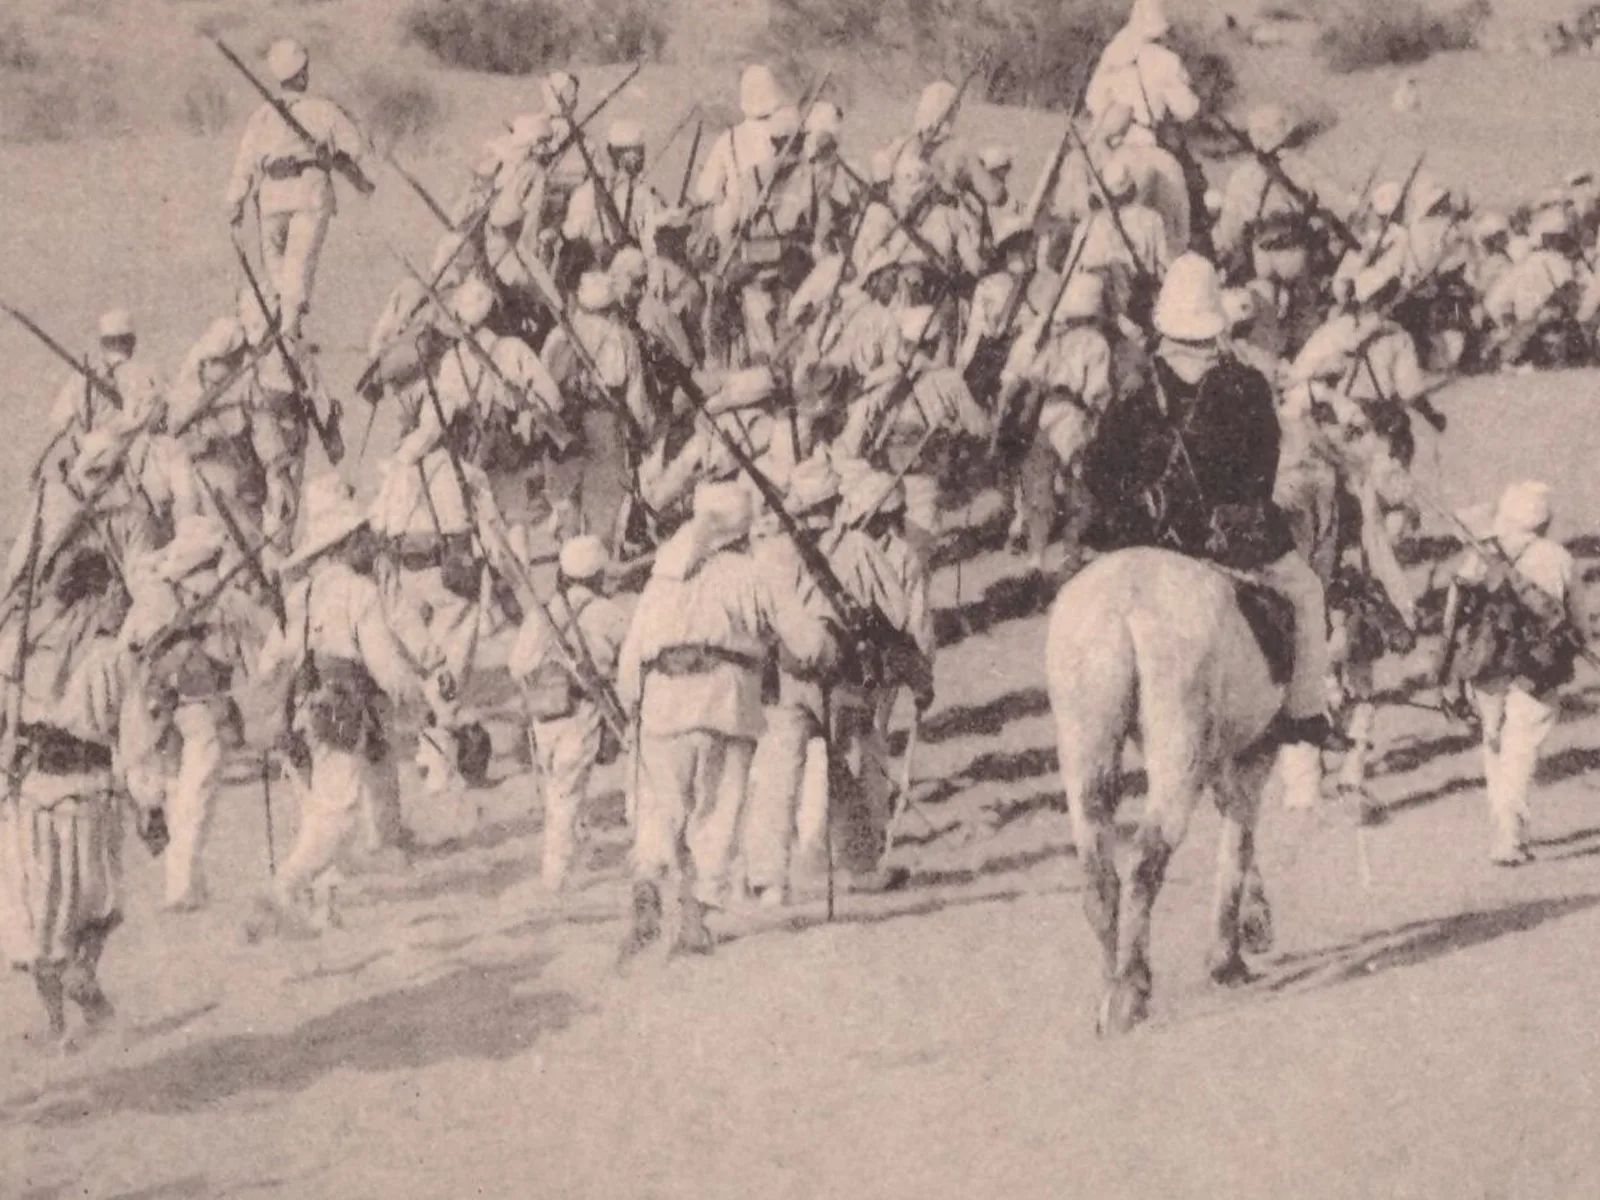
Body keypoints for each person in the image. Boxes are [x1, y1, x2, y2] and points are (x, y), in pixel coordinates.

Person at [1081, 252, 1343, 757]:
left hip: (1145, 539)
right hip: (1226, 541)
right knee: (1308, 591)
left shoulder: (1133, 387)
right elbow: (1262, 474)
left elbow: (1098, 470)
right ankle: (1306, 712)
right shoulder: (1243, 384)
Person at [616, 480, 838, 959]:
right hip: (722, 699)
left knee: (660, 805)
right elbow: (807, 643)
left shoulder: (663, 576)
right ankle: (696, 914)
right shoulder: (752, 574)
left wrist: (633, 701)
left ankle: (649, 875)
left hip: (660, 699)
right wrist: (827, 647)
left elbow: (630, 654)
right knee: (716, 809)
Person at [251, 476, 424, 935]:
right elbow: (384, 663)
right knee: (339, 811)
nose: (369, 543)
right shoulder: (357, 591)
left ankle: (323, 907)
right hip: (340, 709)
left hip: (300, 708)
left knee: (317, 807)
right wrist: (415, 697)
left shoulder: (300, 595)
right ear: (346, 543)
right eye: (362, 537)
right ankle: (283, 887)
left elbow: (269, 663)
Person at [0, 545, 156, 1050]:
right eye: (112, 592)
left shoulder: (20, 648)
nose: (120, 602)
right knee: (96, 904)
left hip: (30, 798)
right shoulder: (112, 657)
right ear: (96, 594)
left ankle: (55, 1023)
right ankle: (84, 983)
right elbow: (134, 743)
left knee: (38, 912)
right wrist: (149, 802)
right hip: (86, 797)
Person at [1440, 482, 1590, 866]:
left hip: (1487, 663)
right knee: (1521, 747)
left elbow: (1454, 616)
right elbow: (1579, 622)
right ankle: (1511, 831)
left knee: (1493, 741)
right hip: (1538, 668)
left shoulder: (1480, 555)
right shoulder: (1558, 557)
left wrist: (1451, 669)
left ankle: (1504, 827)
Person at [223, 38, 372, 339]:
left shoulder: (262, 115)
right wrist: (332, 157)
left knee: (277, 270)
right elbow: (356, 147)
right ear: (303, 74)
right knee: (297, 269)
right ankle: (287, 332)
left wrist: (234, 202)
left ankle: (281, 329)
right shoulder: (324, 110)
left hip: (272, 197)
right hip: (309, 194)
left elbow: (245, 162)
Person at [508, 535, 629, 892]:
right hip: (582, 712)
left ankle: (570, 848)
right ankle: (555, 875)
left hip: (544, 712)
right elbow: (630, 659)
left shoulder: (543, 612)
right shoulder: (609, 613)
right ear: (597, 576)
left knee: (556, 787)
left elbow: (517, 666)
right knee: (567, 792)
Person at [41, 309, 163, 482]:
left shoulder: (79, 378)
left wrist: (43, 460)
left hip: (90, 456)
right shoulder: (146, 374)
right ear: (132, 342)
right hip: (136, 461)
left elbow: (59, 422)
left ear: (102, 343)